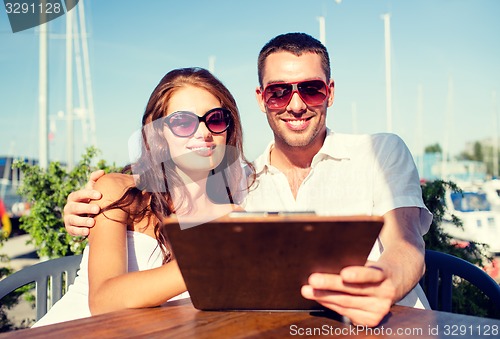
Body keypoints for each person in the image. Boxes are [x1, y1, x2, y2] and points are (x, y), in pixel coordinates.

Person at [63, 33, 432, 327]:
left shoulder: (379, 152)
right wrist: (86, 206)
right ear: (261, 99)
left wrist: (383, 284)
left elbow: (406, 247)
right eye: (278, 91)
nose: (296, 103)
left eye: (312, 88)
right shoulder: (244, 184)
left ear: (330, 92)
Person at [33, 67, 250, 327]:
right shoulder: (118, 191)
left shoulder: (233, 211)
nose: (203, 133)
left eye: (215, 119)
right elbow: (103, 301)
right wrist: (209, 261)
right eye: (183, 122)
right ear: (157, 131)